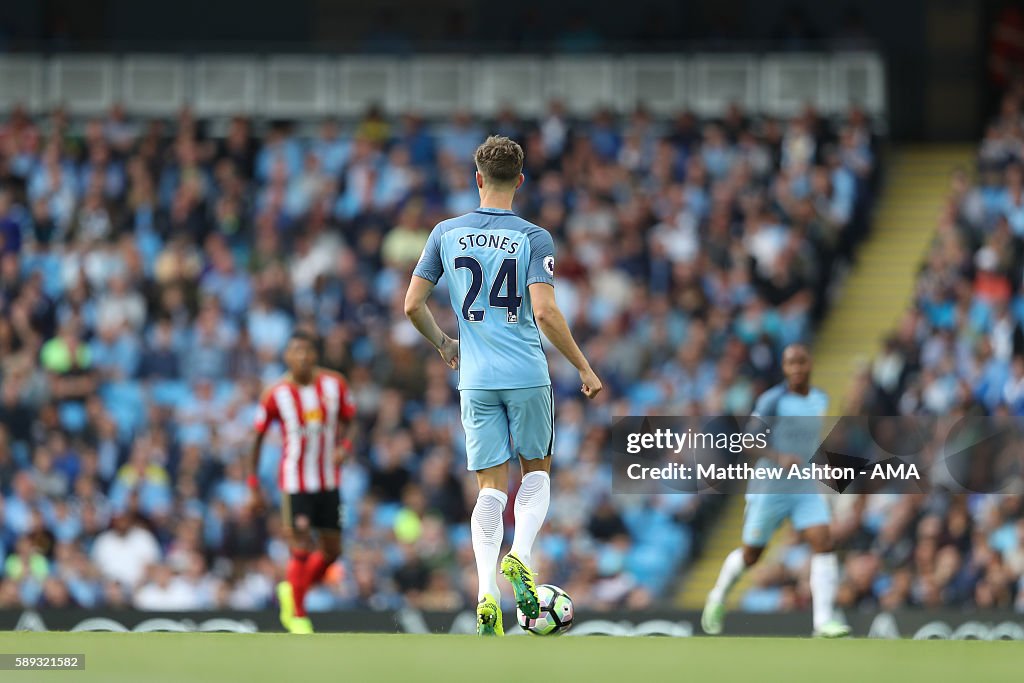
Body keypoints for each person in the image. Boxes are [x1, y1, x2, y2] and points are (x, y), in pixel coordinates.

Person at [404, 135, 602, 636]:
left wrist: (445, 345)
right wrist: (582, 366)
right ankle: (522, 554)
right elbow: (544, 310)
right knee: (536, 474)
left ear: (477, 179)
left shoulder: (446, 233)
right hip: (526, 373)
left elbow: (412, 305)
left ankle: (486, 592)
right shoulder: (534, 238)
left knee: (489, 489)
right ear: (519, 180)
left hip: (475, 378)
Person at [701, 343, 850, 638]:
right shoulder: (772, 401)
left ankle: (823, 622)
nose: (796, 368)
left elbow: (808, 441)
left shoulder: (820, 399)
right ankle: (717, 597)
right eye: (790, 363)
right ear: (784, 368)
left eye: (801, 362)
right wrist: (780, 457)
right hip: (770, 488)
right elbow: (747, 443)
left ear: (810, 364)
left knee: (824, 541)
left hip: (803, 485)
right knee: (752, 555)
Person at [246, 330, 357, 634]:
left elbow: (350, 421)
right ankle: (297, 613)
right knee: (301, 544)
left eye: (308, 351)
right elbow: (255, 440)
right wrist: (253, 484)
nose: (303, 357)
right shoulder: (276, 393)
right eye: (296, 351)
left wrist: (343, 447)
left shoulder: (335, 384)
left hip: (328, 481)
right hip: (295, 482)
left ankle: (292, 590)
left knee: (333, 551)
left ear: (315, 355)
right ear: (287, 356)